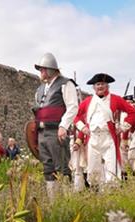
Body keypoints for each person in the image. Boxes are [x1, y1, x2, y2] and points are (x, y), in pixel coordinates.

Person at [73, 73, 135, 187]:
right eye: (97, 84)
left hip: (108, 138)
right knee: (93, 171)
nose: (100, 86)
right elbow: (76, 115)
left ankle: (111, 195)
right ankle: (96, 194)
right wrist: (82, 128)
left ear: (107, 86)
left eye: (102, 84)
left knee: (111, 170)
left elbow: (133, 112)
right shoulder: (88, 101)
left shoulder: (115, 99)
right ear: (94, 87)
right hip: (93, 138)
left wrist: (123, 127)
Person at [33, 52, 78, 198]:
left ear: (51, 69)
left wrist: (63, 126)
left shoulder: (65, 84)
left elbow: (72, 107)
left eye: (43, 69)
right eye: (40, 70)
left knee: (62, 168)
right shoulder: (40, 90)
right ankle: (53, 203)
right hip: (42, 133)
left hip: (56, 132)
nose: (41, 72)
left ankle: (66, 202)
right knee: (48, 168)